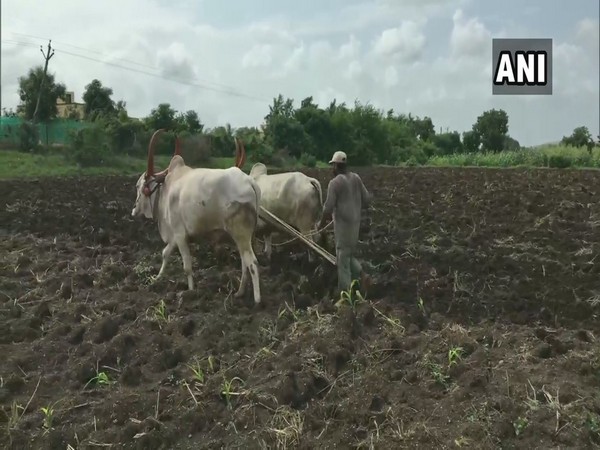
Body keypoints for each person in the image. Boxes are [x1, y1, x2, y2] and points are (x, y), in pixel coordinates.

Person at [318, 151, 372, 295]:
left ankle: (346, 295)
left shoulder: (334, 183)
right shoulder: (356, 178)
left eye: (333, 165)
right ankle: (363, 276)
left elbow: (328, 208)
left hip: (343, 228)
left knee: (342, 258)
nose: (332, 168)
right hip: (355, 226)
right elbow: (367, 199)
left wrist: (321, 225)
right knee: (348, 255)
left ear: (336, 165)